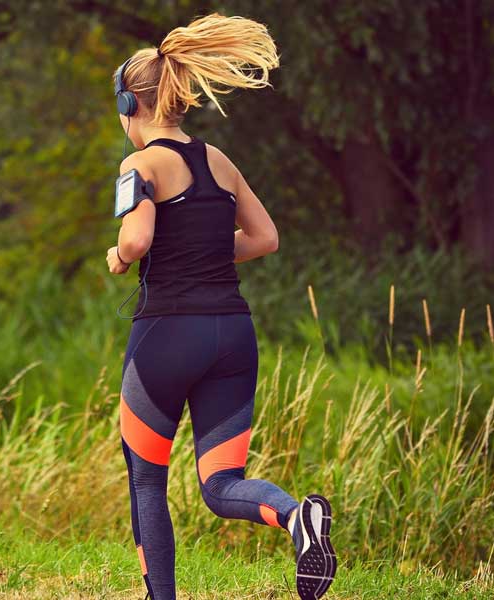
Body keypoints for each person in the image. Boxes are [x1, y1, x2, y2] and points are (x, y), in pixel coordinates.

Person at [104, 13, 337, 600]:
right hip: (232, 336)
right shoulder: (219, 160)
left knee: (147, 483)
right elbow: (265, 238)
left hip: (166, 337)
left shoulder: (139, 165)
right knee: (221, 483)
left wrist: (120, 255)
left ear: (130, 104)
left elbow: (137, 238)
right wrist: (201, 248)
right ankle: (297, 518)